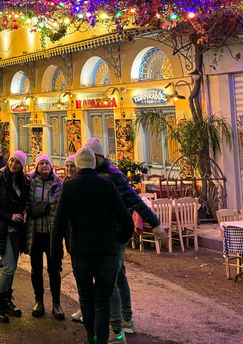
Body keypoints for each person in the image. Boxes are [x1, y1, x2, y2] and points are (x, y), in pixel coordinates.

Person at [85, 138, 167, 341]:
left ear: (99, 156)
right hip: (106, 233)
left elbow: (134, 199)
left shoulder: (113, 175)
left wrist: (155, 223)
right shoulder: (93, 173)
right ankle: (125, 319)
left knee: (112, 278)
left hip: (117, 233)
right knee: (118, 275)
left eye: (91, 156)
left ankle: (120, 324)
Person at [51, 147, 134, 344]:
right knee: (102, 301)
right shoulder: (106, 184)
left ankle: (92, 337)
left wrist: (56, 252)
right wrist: (118, 241)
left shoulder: (70, 186)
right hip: (106, 250)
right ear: (93, 163)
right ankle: (102, 340)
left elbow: (59, 222)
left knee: (86, 298)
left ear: (78, 165)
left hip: (81, 251)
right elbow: (127, 221)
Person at [0, 150, 30, 322]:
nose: (13, 165)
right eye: (11, 161)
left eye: (17, 162)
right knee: (9, 267)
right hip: (2, 229)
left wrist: (24, 212)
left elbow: (25, 202)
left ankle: (6, 301)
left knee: (12, 267)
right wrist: (9, 216)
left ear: (22, 165)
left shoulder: (24, 181)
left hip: (17, 230)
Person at [26, 154, 64, 320]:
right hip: (35, 234)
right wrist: (41, 208)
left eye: (47, 163)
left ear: (51, 165)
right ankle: (38, 301)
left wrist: (44, 208)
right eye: (41, 163)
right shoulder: (31, 183)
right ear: (36, 166)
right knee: (36, 269)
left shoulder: (58, 183)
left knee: (54, 269)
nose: (44, 165)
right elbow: (28, 204)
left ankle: (57, 303)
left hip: (51, 234)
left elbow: (59, 206)